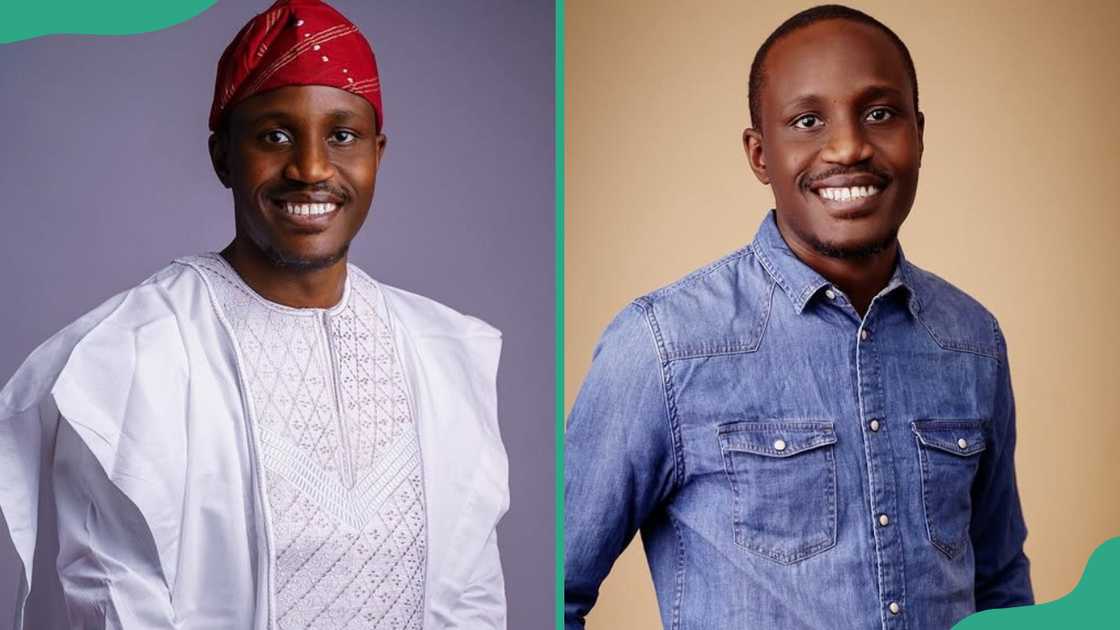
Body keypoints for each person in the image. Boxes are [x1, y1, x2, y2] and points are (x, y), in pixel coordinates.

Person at [0, 1, 508, 627]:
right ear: (222, 156)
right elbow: (114, 605)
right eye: (274, 135)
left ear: (378, 154)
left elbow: (470, 599)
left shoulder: (441, 353)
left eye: (342, 136)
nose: (312, 169)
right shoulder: (134, 359)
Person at [564, 5, 1032, 629]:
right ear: (760, 155)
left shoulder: (973, 341)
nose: (848, 145)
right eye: (808, 121)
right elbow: (557, 588)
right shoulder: (663, 346)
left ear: (918, 133)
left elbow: (999, 585)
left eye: (880, 113)